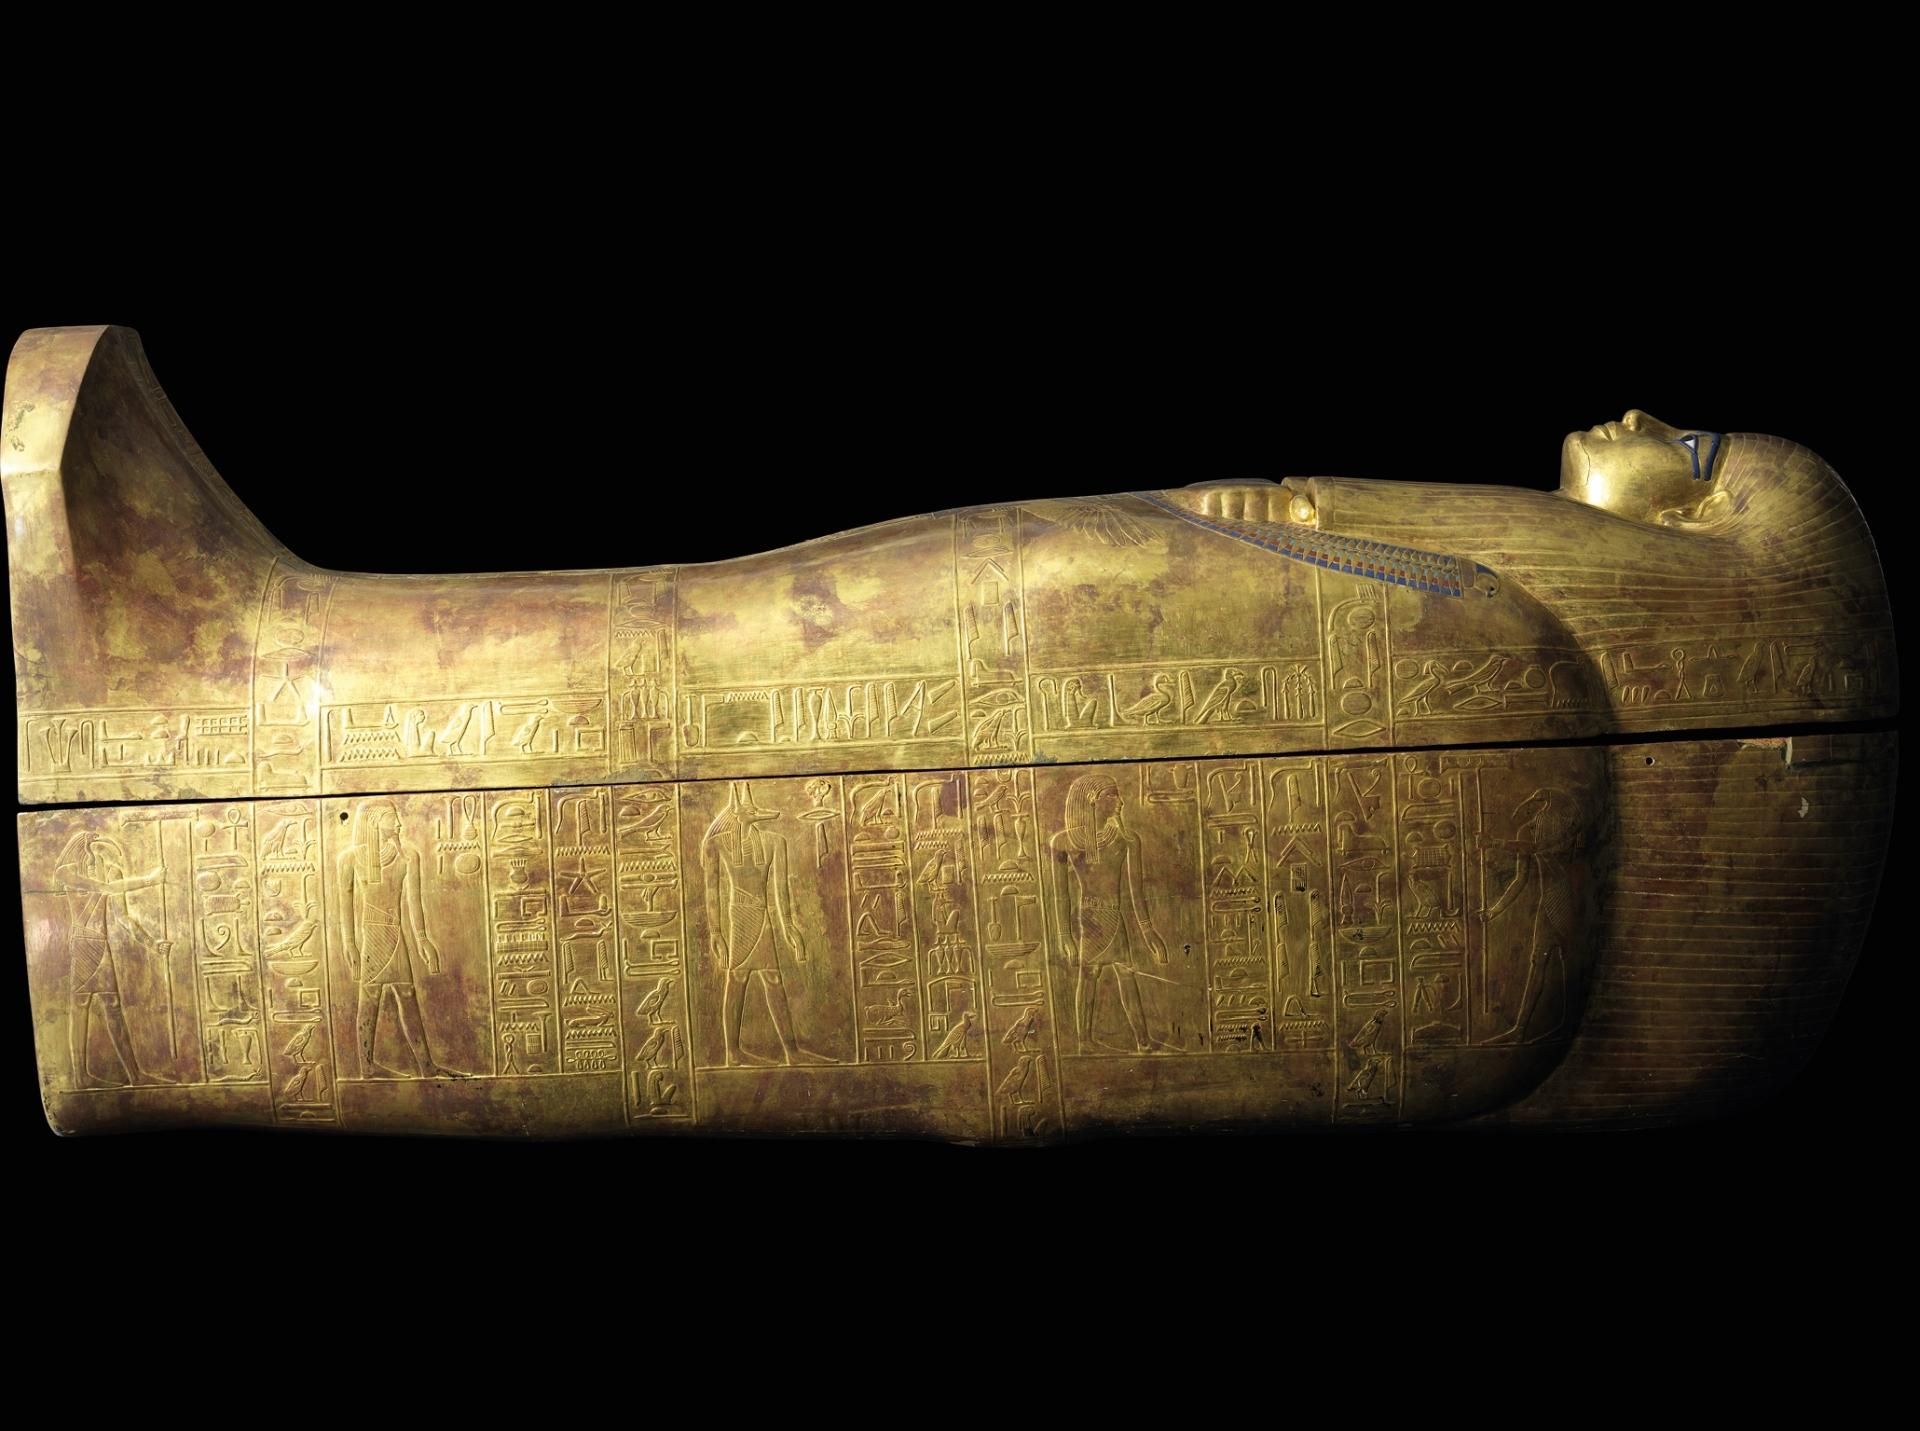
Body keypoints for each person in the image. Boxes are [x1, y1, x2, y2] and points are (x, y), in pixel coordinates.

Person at [701, 781, 830, 1066]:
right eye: (749, 811)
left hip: (763, 916)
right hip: (740, 918)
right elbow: (713, 891)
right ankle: (732, 1053)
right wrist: (715, 931)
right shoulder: (716, 844)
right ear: (736, 814)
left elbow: (780, 890)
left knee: (772, 979)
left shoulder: (774, 842)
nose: (755, 815)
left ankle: (791, 1052)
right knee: (737, 978)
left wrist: (789, 926)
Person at [336, 800, 462, 1078]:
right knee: (370, 997)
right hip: (372, 935)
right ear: (374, 822)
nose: (398, 823)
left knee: (407, 994)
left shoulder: (407, 856)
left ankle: (426, 1067)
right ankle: (367, 1067)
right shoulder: (350, 859)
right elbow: (345, 905)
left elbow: (415, 902)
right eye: (392, 818)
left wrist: (423, 939)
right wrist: (348, 943)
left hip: (395, 933)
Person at [1047, 772, 1169, 1054]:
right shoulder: (1063, 842)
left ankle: (1143, 1040)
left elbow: (1136, 892)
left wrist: (1148, 930)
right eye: (1112, 795)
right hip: (1089, 921)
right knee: (1088, 974)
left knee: (1126, 973)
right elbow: (1060, 895)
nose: (1120, 801)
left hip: (1114, 916)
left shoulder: (1127, 840)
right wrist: (1064, 936)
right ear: (1093, 800)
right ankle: (1084, 1041)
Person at [55, 832, 171, 1088]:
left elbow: (123, 917)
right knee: (80, 1005)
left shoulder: (111, 872)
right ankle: (80, 1077)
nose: (95, 854)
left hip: (101, 944)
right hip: (82, 944)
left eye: (99, 850)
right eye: (90, 847)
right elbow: (105, 889)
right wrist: (149, 880)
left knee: (113, 1005)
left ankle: (135, 1076)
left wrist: (152, 943)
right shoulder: (67, 872)